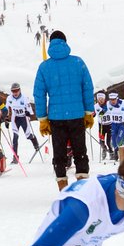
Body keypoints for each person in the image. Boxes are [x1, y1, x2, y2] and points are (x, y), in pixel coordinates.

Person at [33, 30, 94, 191]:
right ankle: (82, 189)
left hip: (56, 118)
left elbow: (39, 94)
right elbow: (87, 88)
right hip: (77, 116)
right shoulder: (78, 62)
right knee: (80, 151)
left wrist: (42, 118)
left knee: (59, 154)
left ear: (51, 44)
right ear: (65, 42)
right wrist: (88, 112)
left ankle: (63, 190)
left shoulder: (44, 67)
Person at [6, 82, 40, 162]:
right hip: (15, 118)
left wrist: (28, 113)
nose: (15, 93)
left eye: (17, 90)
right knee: (15, 138)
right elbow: (7, 109)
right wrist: (6, 118)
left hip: (24, 118)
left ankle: (35, 141)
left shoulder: (24, 98)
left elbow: (29, 110)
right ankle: (15, 157)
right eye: (13, 91)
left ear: (20, 90)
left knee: (28, 136)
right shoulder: (9, 98)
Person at [104, 92, 124, 161]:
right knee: (114, 141)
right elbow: (102, 112)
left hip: (122, 124)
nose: (112, 101)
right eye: (111, 99)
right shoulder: (108, 104)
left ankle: (122, 149)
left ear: (117, 98)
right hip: (113, 124)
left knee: (119, 140)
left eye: (114, 99)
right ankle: (116, 153)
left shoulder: (123, 104)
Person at [93, 90, 111, 160]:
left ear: (104, 99)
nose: (100, 101)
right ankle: (104, 150)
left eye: (102, 99)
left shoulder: (109, 104)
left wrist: (102, 112)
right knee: (101, 141)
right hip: (101, 126)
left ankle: (111, 152)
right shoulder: (95, 106)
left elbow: (106, 109)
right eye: (99, 99)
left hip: (110, 125)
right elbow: (93, 114)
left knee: (109, 142)